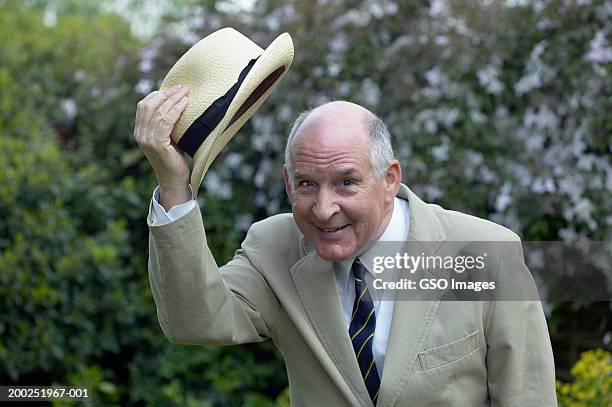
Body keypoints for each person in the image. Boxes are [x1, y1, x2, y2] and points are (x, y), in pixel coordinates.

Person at [134, 87, 557, 406]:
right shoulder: (273, 248)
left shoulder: (486, 254)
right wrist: (173, 184)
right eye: (306, 184)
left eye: (346, 183)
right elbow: (193, 321)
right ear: (287, 182)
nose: (323, 209)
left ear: (390, 179)